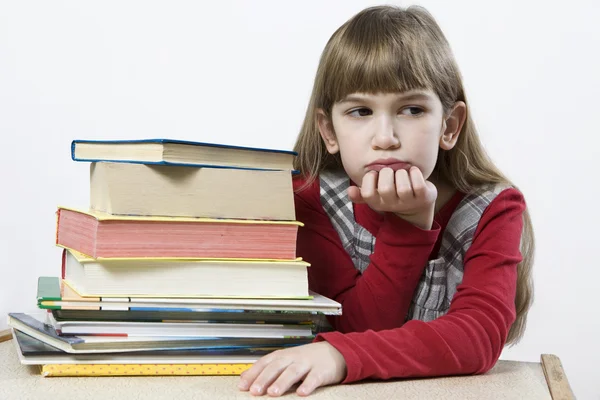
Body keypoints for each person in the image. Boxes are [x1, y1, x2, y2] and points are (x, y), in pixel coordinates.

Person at [238, 4, 534, 397]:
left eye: (411, 110)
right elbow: (357, 327)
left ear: (449, 126)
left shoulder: (494, 209)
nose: (385, 137)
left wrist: (338, 356)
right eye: (360, 111)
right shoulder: (308, 200)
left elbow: (478, 338)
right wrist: (407, 228)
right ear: (329, 131)